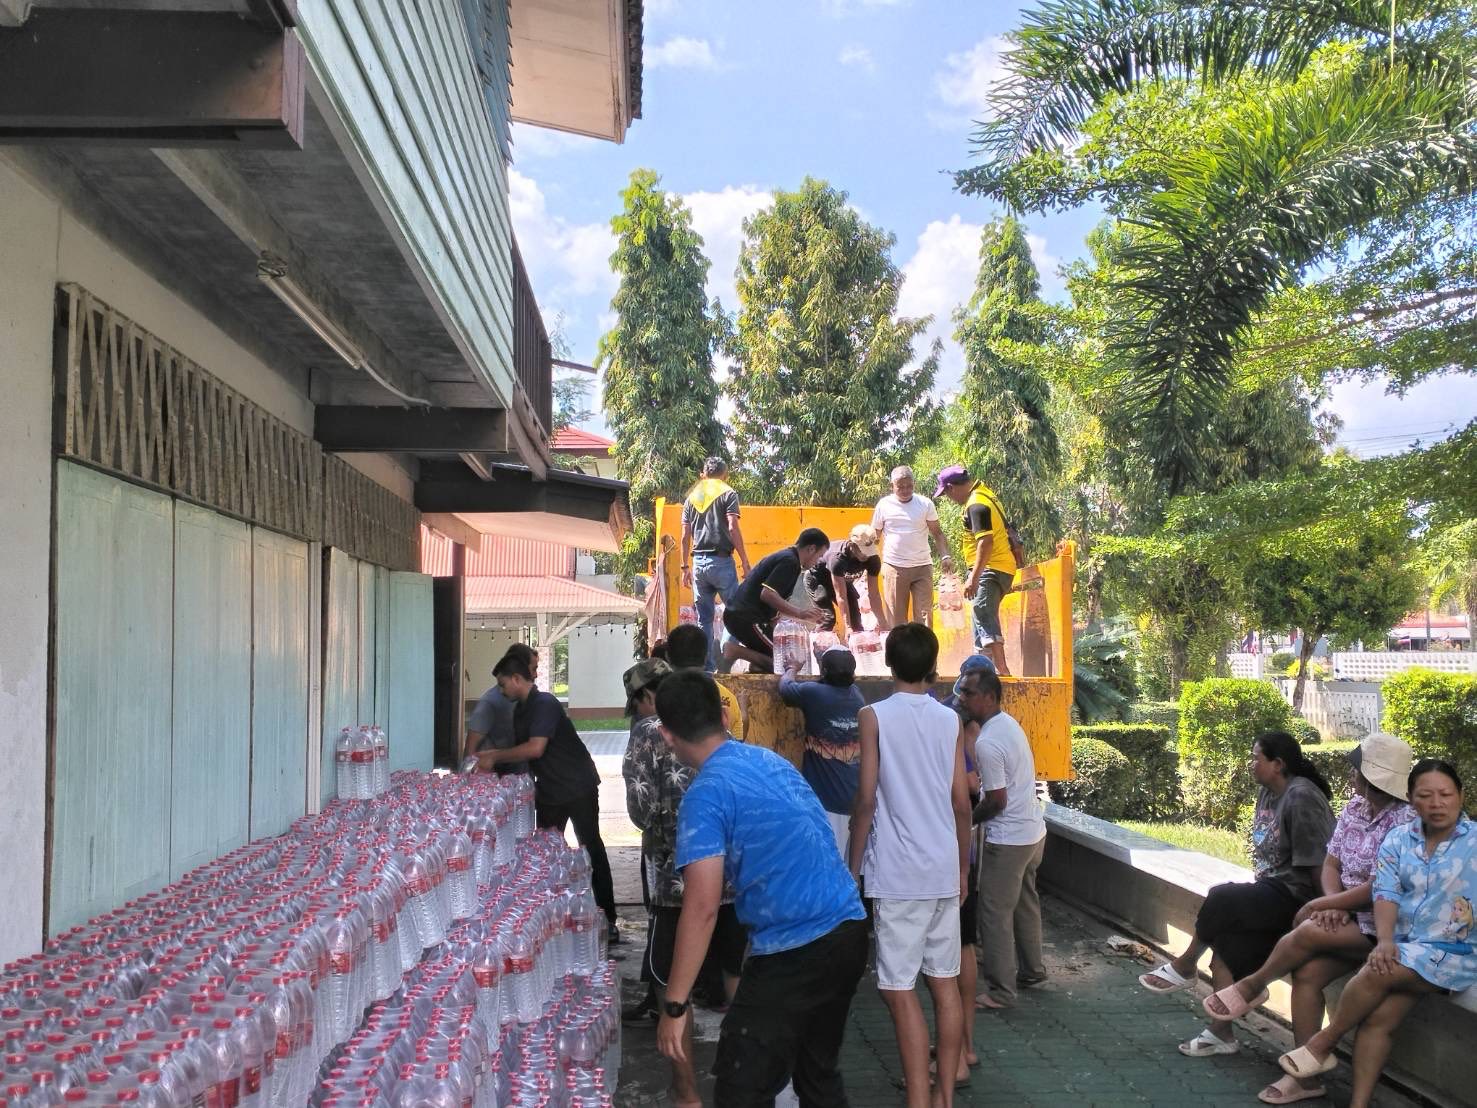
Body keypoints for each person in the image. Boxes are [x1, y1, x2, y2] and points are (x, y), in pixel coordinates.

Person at [654, 670, 869, 1106]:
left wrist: (674, 1005)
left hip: (796, 950)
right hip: (848, 931)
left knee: (742, 1088)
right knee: (817, 1075)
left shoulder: (705, 795)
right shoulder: (771, 762)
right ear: (724, 717)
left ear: (667, 735)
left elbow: (702, 906)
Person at [1201, 734, 1414, 1105]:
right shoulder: (1355, 808)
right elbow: (1331, 863)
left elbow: (1381, 886)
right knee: (1307, 974)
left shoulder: (1406, 821)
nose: (1351, 774)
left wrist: (1323, 906)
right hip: (1346, 914)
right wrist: (1333, 903)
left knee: (1307, 929)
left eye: (1357, 768)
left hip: (1386, 923)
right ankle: (1304, 1078)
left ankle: (1253, 985)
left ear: (1373, 776)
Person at [1277, 760, 1475, 1108]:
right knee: (1378, 1020)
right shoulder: (1399, 839)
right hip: (1405, 947)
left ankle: (1322, 1043)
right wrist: (1384, 941)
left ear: (1460, 795)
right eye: (1425, 795)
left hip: (1456, 951)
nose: (1436, 803)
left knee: (1375, 970)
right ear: (1410, 799)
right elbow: (1385, 892)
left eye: (1445, 794)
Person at [1138, 731, 1336, 1057]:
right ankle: (1222, 1034)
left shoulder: (1301, 797)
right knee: (1225, 946)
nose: (1250, 764)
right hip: (1269, 893)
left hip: (1298, 898)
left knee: (1221, 896)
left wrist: (1325, 908)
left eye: (1256, 758)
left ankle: (1186, 965)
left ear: (1278, 764)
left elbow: (1319, 863)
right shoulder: (1267, 793)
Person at [848, 623, 971, 1108]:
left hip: (898, 873)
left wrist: (852, 867)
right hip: (943, 868)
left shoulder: (873, 716)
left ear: (888, 662)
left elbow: (865, 801)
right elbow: (961, 804)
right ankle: (943, 1097)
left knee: (899, 990)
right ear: (933, 664)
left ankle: (919, 1099)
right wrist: (963, 869)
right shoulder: (950, 720)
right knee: (945, 985)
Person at [622, 659, 747, 1107]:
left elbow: (640, 811)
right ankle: (746, 1083)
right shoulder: (719, 721)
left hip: (676, 885)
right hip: (732, 878)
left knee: (673, 988)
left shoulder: (647, 733)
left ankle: (687, 1092)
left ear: (644, 696)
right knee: (737, 976)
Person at [483, 654, 621, 942]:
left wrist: (494, 756)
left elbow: (535, 748)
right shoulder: (521, 710)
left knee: (590, 847)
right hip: (549, 789)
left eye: (503, 684)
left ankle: (607, 917)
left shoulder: (545, 703)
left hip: (577, 785)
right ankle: (553, 917)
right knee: (544, 853)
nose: (501, 690)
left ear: (517, 679)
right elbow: (523, 753)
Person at [957, 667, 1048, 1009]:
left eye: (969, 693)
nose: (962, 698)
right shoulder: (1007, 725)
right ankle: (1032, 970)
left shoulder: (988, 742)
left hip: (1009, 840)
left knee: (993, 914)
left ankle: (1000, 991)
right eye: (962, 691)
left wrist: (967, 822)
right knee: (1025, 903)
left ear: (990, 697)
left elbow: (996, 800)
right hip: (1032, 833)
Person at [778, 646, 867, 857]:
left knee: (826, 860)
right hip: (852, 797)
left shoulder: (814, 693)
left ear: (824, 671)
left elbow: (785, 687)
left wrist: (792, 668)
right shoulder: (857, 696)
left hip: (826, 802)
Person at [935, 465, 1019, 676]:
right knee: (978, 619)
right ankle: (982, 670)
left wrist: (973, 577)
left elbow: (986, 542)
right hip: (999, 567)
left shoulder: (976, 504)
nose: (949, 499)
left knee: (983, 612)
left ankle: (1002, 670)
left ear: (952, 487)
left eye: (947, 494)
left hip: (991, 569)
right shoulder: (985, 493)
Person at [719, 528, 829, 674]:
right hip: (745, 618)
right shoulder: (790, 562)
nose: (818, 561)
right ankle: (734, 651)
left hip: (745, 617)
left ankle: (756, 667)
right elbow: (767, 594)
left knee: (782, 659)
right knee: (786, 664)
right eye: (819, 556)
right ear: (811, 549)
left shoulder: (789, 560)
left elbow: (774, 603)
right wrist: (800, 613)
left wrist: (800, 620)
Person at [681, 456, 752, 672]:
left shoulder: (692, 497)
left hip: (698, 564)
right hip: (721, 561)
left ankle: (707, 668)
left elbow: (685, 535)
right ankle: (725, 653)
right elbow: (732, 527)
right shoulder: (728, 493)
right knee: (736, 613)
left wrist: (684, 566)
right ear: (725, 474)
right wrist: (745, 560)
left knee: (704, 619)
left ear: (704, 473)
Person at [871, 466, 951, 628]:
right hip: (894, 567)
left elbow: (937, 533)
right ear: (892, 486)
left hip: (922, 567)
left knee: (925, 619)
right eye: (900, 487)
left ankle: (925, 646)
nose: (905, 490)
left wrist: (945, 555)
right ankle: (898, 646)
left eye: (909, 486)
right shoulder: (884, 505)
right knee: (897, 622)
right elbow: (875, 537)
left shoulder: (925, 504)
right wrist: (867, 562)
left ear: (914, 484)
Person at [464, 642, 538, 775]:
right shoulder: (490, 703)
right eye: (533, 669)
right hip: (496, 778)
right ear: (517, 671)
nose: (535, 675)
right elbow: (470, 752)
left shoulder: (532, 702)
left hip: (521, 776)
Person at [804, 524, 888, 637]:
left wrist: (883, 623)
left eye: (869, 551)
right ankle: (817, 644)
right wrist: (847, 627)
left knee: (856, 621)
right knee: (828, 618)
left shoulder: (873, 559)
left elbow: (874, 595)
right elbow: (841, 596)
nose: (867, 555)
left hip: (841, 579)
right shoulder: (838, 558)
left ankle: (855, 646)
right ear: (852, 545)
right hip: (818, 579)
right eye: (863, 551)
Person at [666, 623, 744, 741]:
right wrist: (744, 712)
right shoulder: (729, 699)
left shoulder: (656, 698)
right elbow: (737, 744)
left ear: (667, 656)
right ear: (706, 657)